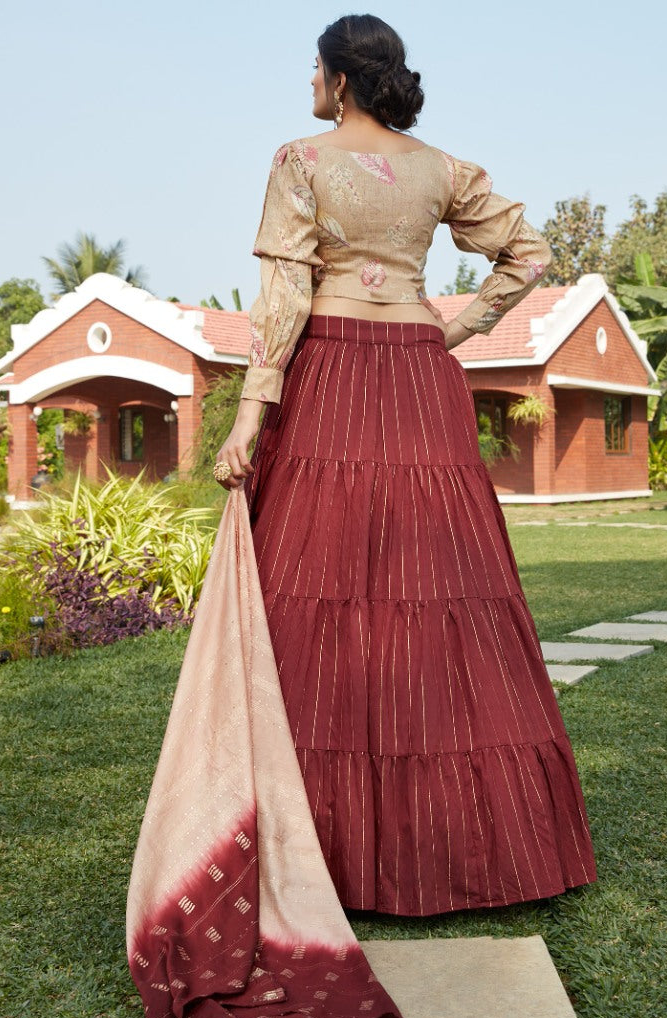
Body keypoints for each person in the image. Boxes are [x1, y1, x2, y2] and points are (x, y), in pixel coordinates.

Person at [213, 13, 597, 917]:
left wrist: (246, 416)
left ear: (341, 80)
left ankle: (322, 857)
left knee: (320, 587)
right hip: (419, 381)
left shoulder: (300, 161)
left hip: (334, 374)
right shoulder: (441, 169)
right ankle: (469, 849)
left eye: (314, 69)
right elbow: (528, 253)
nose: (307, 83)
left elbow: (284, 296)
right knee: (441, 588)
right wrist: (451, 331)